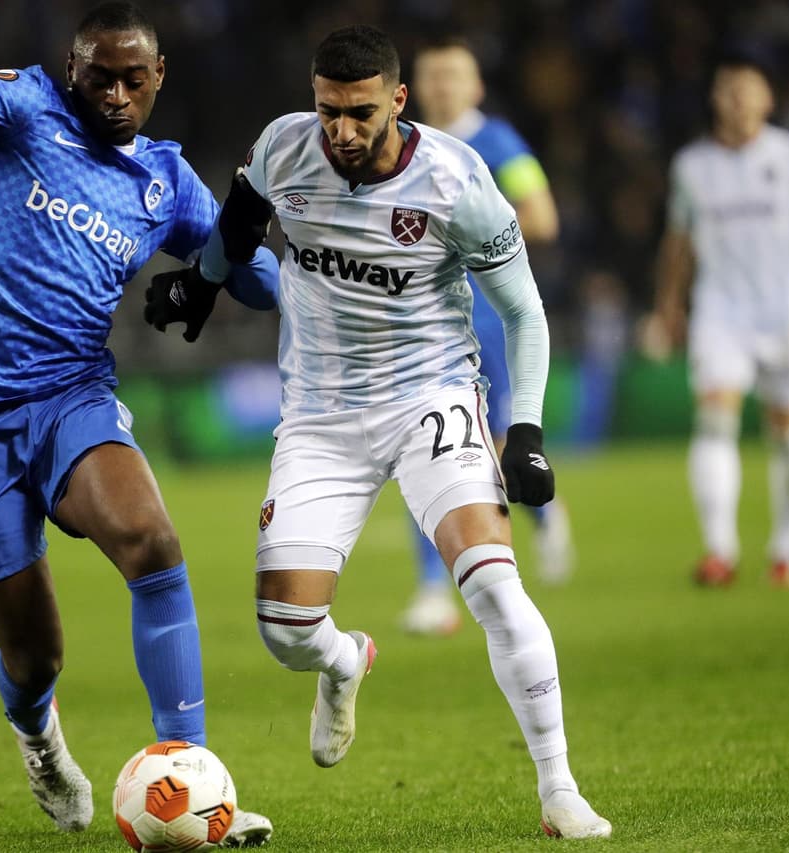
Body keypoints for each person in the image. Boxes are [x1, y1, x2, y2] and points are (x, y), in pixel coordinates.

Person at [0, 2, 274, 843]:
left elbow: (258, 278)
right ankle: (37, 734)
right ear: (72, 71)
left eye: (132, 80)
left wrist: (231, 259)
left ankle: (193, 772)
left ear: (159, 77)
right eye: (99, 77)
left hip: (70, 395)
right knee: (37, 656)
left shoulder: (164, 181)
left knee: (153, 541)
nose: (115, 95)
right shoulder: (23, 108)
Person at [160, 24, 611, 839]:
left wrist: (526, 430)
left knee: (494, 586)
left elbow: (525, 311)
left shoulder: (457, 180)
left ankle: (560, 788)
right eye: (327, 110)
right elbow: (240, 225)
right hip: (319, 417)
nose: (340, 130)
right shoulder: (283, 147)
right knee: (285, 632)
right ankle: (344, 661)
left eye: (359, 112)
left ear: (397, 101)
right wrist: (203, 283)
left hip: (430, 399)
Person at [647, 50, 789, 589]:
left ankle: (786, 550)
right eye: (728, 90)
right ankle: (720, 551)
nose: (737, 100)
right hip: (720, 310)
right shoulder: (692, 166)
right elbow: (678, 243)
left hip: (784, 309)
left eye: (747, 90)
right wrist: (669, 305)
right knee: (715, 418)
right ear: (715, 99)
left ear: (767, 99)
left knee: (787, 428)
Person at [403, 37, 573, 637]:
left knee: (494, 445)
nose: (442, 85)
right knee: (423, 440)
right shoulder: (404, 146)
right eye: (433, 75)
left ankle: (544, 518)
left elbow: (542, 215)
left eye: (453, 74)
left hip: (489, 322)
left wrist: (464, 235)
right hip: (424, 324)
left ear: (475, 86)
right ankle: (433, 589)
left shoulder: (499, 144)